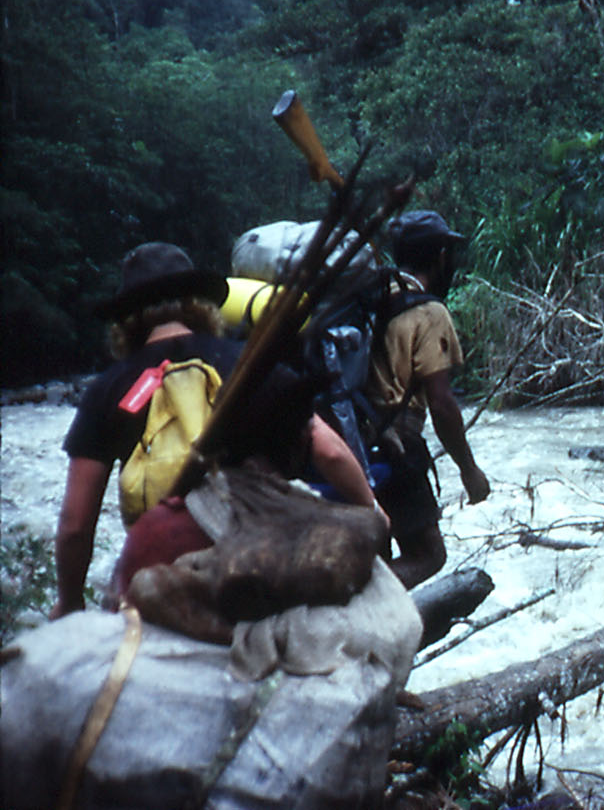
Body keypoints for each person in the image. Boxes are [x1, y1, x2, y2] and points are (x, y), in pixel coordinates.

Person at [53, 242, 382, 619]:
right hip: (261, 555)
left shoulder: (107, 389)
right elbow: (330, 452)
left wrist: (69, 601)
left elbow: (76, 525)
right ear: (202, 305)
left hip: (160, 563)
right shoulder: (251, 366)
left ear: (127, 321)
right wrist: (372, 511)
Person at [367, 210, 492, 588]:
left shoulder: (372, 297)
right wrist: (469, 471)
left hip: (354, 439)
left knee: (379, 552)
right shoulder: (428, 311)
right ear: (440, 257)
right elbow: (442, 404)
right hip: (396, 448)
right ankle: (352, 603)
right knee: (428, 555)